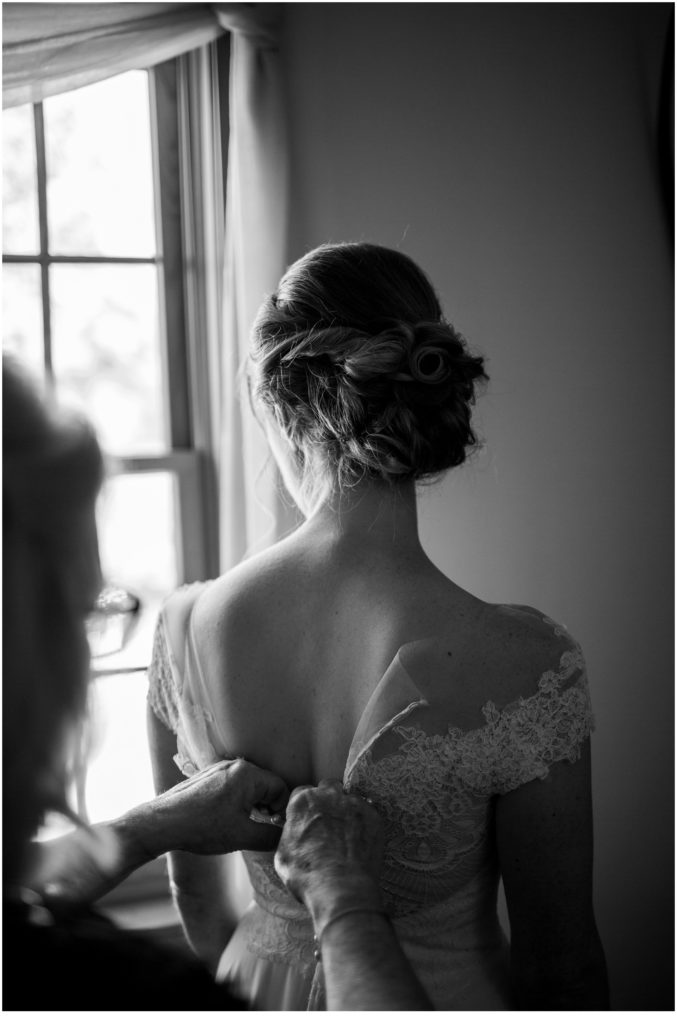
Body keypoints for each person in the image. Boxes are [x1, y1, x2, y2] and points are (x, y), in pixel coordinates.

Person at [147, 241, 610, 1010]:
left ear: (278, 402)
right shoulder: (527, 665)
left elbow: (196, 900)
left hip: (250, 991)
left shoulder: (185, 629)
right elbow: (559, 964)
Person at [2, 355, 431, 1011]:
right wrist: (343, 898)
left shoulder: (192, 623)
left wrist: (148, 827)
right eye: (84, 613)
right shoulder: (121, 991)